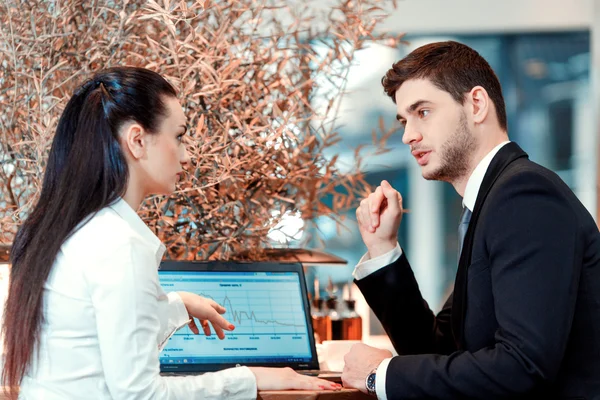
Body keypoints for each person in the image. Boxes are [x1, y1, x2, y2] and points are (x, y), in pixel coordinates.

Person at [1, 66, 341, 399]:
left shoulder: (67, 231)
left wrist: (179, 306)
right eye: (179, 137)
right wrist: (248, 378)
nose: (187, 155)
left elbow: (91, 338)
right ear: (137, 140)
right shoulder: (120, 246)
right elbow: (141, 395)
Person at [341, 41, 600, 398]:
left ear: (476, 104)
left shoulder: (523, 194)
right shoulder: (490, 203)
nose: (407, 135)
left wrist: (379, 374)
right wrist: (382, 248)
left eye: (424, 112)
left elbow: (523, 365)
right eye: (404, 119)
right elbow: (440, 351)